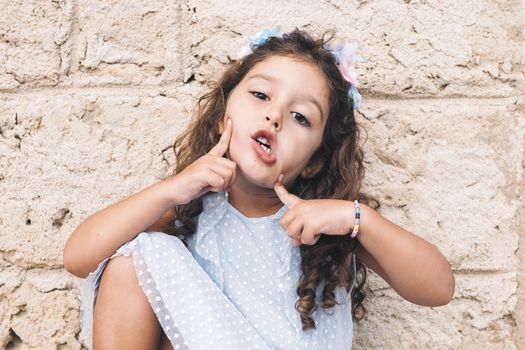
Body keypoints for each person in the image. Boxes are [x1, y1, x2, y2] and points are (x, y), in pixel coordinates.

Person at [63, 28, 455, 349]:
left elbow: (438, 288)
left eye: (301, 116)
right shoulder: (190, 210)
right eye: (261, 95)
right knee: (136, 256)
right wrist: (170, 190)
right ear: (221, 118)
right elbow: (79, 258)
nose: (275, 114)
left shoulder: (326, 227)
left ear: (316, 160)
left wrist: (357, 218)